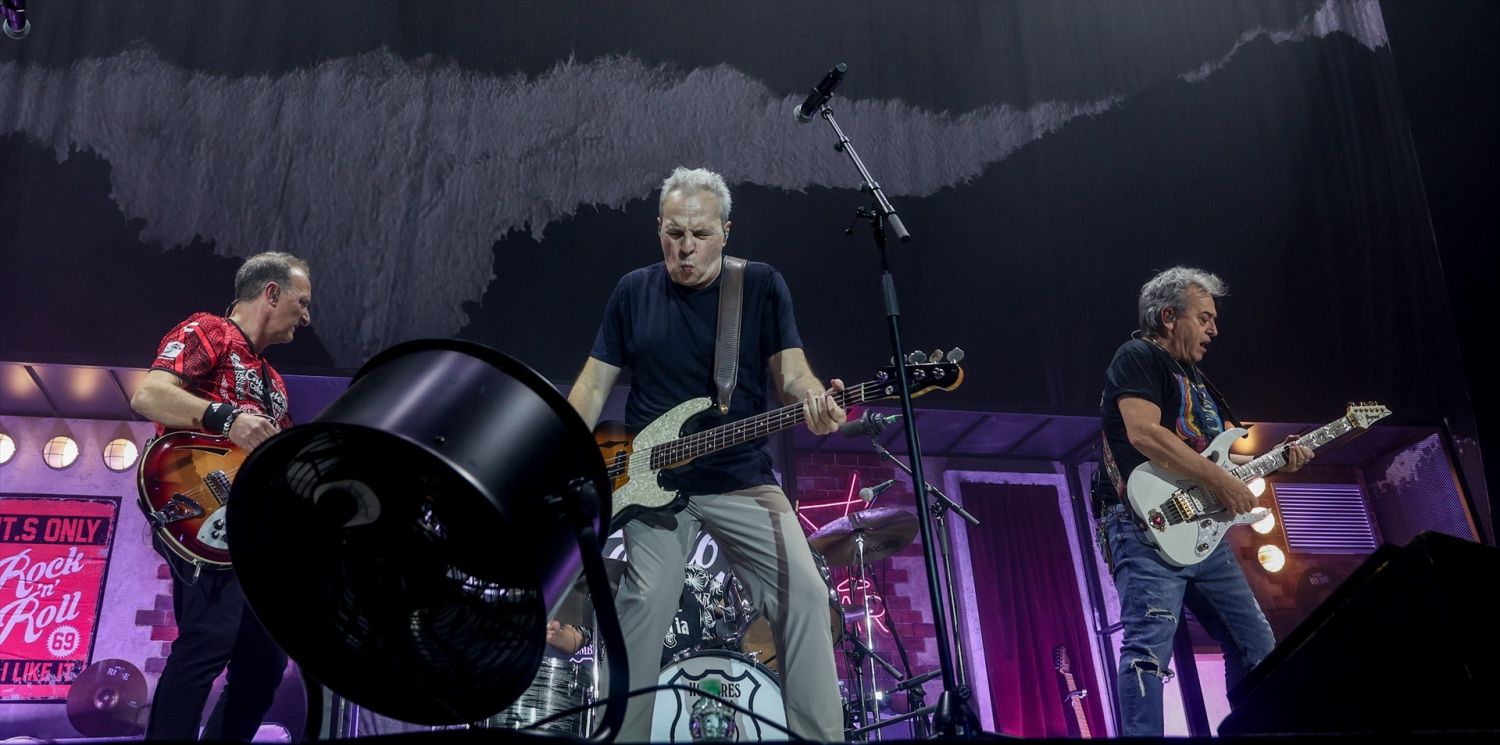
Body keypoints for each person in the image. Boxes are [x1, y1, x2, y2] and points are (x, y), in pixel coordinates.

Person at [566, 167, 846, 741]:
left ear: (726, 231)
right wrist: (557, 450)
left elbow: (791, 373)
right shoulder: (632, 291)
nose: (684, 248)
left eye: (698, 234)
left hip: (741, 477)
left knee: (808, 597)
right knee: (639, 609)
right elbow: (592, 388)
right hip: (650, 485)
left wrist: (814, 398)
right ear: (659, 230)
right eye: (673, 234)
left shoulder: (762, 285)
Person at [1093, 266, 1313, 736]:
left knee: (1254, 641)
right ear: (1169, 316)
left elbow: (1212, 463)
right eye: (1206, 317)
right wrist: (1221, 479)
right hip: (1142, 522)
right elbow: (1144, 433)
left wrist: (1275, 461)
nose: (1215, 329)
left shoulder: (1195, 380)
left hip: (1201, 531)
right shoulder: (1137, 356)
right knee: (1148, 650)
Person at [131, 251, 312, 741]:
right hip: (197, 509)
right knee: (208, 640)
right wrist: (227, 418)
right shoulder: (210, 331)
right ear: (271, 292)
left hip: (252, 530)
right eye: (302, 300)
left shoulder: (274, 382)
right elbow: (149, 395)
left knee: (263, 665)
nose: (307, 315)